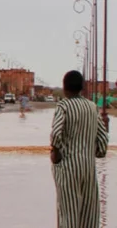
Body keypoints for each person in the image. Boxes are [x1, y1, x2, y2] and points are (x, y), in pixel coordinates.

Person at [50, 70, 109, 227]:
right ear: (82, 87)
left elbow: (56, 134)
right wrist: (98, 152)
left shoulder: (63, 106)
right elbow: (103, 138)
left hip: (68, 167)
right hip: (88, 168)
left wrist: (55, 154)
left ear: (64, 88)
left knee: (68, 213)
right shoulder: (92, 107)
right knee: (89, 214)